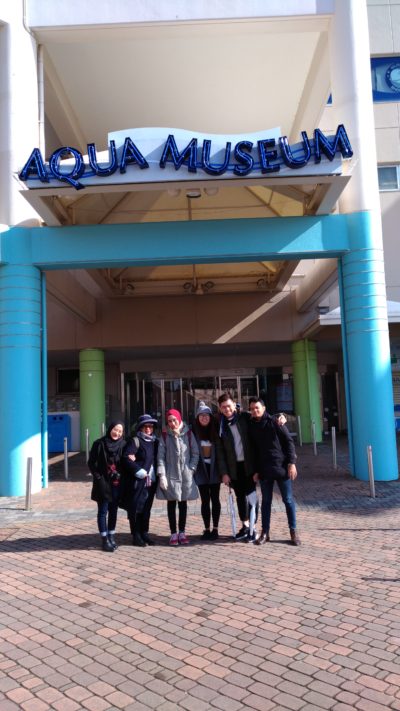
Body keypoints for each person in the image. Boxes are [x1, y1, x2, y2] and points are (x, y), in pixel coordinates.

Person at [248, 397, 300, 546]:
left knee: (288, 500)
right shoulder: (251, 426)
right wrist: (256, 470)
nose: (254, 411)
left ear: (264, 408)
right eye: (251, 408)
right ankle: (265, 532)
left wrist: (292, 463)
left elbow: (289, 442)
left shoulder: (276, 422)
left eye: (257, 407)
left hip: (282, 468)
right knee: (266, 502)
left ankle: (293, 531)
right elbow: (254, 451)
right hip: (264, 470)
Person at [216, 393, 258, 542]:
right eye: (223, 407)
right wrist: (224, 473)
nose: (226, 409)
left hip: (249, 465)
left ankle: (254, 528)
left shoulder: (245, 417)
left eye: (228, 405)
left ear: (234, 404)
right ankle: (245, 525)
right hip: (234, 468)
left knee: (252, 495)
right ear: (220, 409)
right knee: (240, 497)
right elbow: (220, 452)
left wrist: (280, 417)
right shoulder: (220, 425)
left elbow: (262, 414)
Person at [156, 408, 199, 546]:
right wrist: (162, 474)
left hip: (185, 474)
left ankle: (182, 532)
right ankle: (173, 533)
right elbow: (160, 457)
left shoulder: (188, 434)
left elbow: (195, 453)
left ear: (179, 419)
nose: (172, 423)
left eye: (174, 420)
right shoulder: (164, 436)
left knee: (183, 504)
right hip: (170, 474)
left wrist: (191, 469)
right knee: (171, 503)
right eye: (169, 421)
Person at [120, 414, 159, 547]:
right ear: (140, 428)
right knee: (136, 508)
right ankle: (136, 535)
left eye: (151, 426)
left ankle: (144, 533)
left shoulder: (155, 441)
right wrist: (138, 470)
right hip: (138, 481)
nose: (148, 429)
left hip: (151, 481)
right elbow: (125, 458)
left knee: (147, 508)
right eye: (145, 426)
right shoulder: (135, 441)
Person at [88, 421, 125, 552]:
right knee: (103, 511)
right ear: (110, 429)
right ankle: (104, 539)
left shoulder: (123, 444)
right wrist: (98, 477)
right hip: (103, 483)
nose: (117, 433)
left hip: (116, 483)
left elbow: (125, 462)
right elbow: (91, 463)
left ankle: (111, 536)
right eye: (115, 430)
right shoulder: (99, 444)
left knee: (113, 511)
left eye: (120, 431)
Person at [192, 402, 221, 540]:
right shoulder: (193, 432)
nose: (204, 418)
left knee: (215, 499)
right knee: (204, 500)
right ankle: (206, 529)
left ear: (211, 417)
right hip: (201, 470)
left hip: (215, 469)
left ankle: (215, 528)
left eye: (207, 415)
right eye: (201, 415)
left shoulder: (216, 430)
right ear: (197, 418)